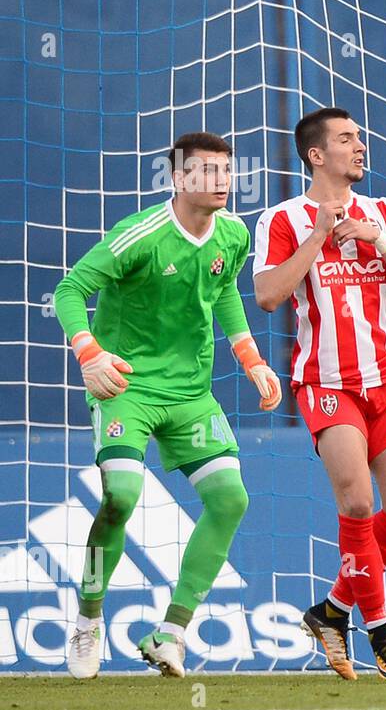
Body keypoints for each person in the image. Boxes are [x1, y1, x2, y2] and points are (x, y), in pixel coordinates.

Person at [57, 132, 281, 678]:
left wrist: (250, 357)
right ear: (178, 179)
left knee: (230, 499)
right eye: (206, 171)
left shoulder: (232, 233)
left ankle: (171, 633)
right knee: (121, 497)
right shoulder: (139, 235)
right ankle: (88, 620)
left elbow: (222, 288)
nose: (221, 180)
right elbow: (69, 290)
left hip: (189, 394)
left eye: (227, 171)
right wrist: (89, 354)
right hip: (126, 386)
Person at [254, 108, 386, 679]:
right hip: (326, 382)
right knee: (357, 504)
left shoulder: (383, 213)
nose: (360, 146)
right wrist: (318, 236)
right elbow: (267, 295)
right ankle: (381, 632)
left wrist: (377, 241)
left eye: (359, 137)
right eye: (346, 139)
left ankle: (333, 610)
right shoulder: (282, 218)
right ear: (316, 154)